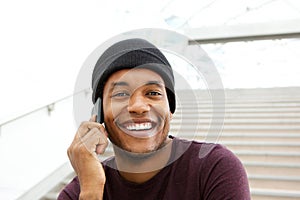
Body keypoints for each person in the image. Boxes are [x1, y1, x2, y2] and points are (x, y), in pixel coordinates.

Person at [58, 38, 250, 200]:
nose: (139, 106)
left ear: (170, 109)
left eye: (152, 92)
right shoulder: (78, 192)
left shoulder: (214, 168)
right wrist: (91, 191)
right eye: (121, 94)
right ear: (98, 113)